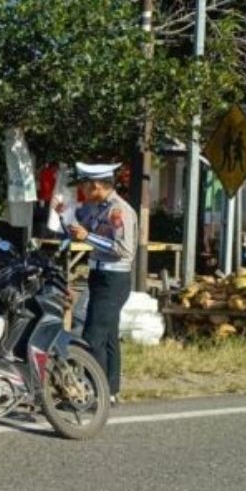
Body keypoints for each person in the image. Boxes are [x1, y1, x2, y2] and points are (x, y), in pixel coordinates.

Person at [67, 162, 137, 406]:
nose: (83, 190)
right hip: (98, 276)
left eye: (85, 185)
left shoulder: (119, 211)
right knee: (108, 337)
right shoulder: (96, 207)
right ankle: (110, 391)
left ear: (97, 185)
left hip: (113, 279)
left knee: (93, 336)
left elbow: (122, 249)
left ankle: (91, 391)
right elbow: (79, 223)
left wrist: (89, 237)